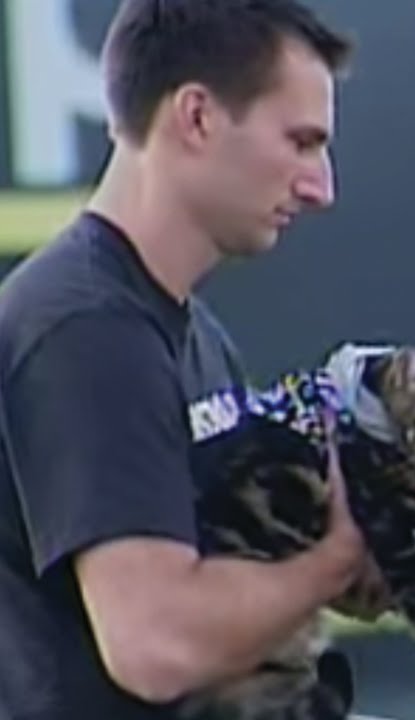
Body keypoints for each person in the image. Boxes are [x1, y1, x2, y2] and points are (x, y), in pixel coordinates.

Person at [0, 1, 388, 718]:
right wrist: (330, 559)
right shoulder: (83, 328)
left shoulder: (192, 334)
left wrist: (352, 562)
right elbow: (155, 646)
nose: (321, 187)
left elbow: (217, 627)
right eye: (301, 143)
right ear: (198, 117)